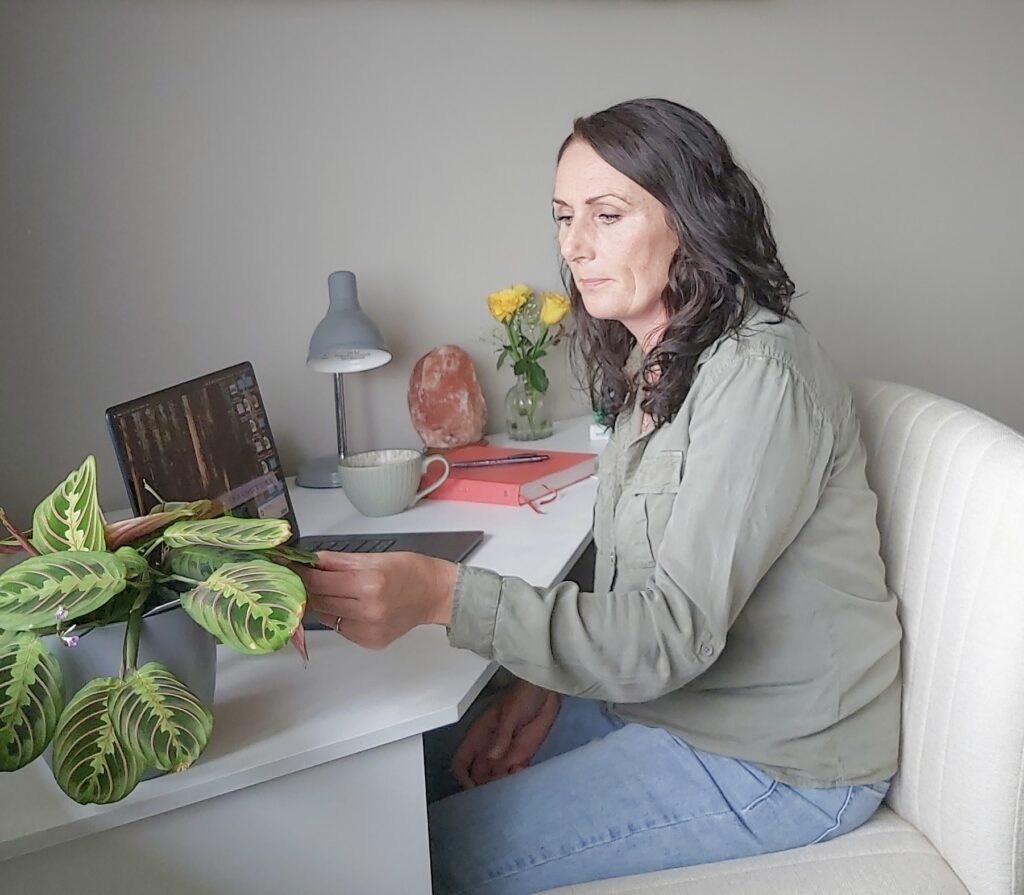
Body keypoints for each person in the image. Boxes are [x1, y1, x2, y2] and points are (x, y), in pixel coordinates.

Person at [298, 98, 902, 895]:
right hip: (672, 703)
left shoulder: (760, 377)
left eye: (607, 215)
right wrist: (541, 683)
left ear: (691, 218)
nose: (573, 247)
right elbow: (635, 586)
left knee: (410, 855)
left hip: (780, 758)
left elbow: (668, 634)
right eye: (562, 217)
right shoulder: (659, 361)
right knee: (387, 789)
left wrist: (442, 594)